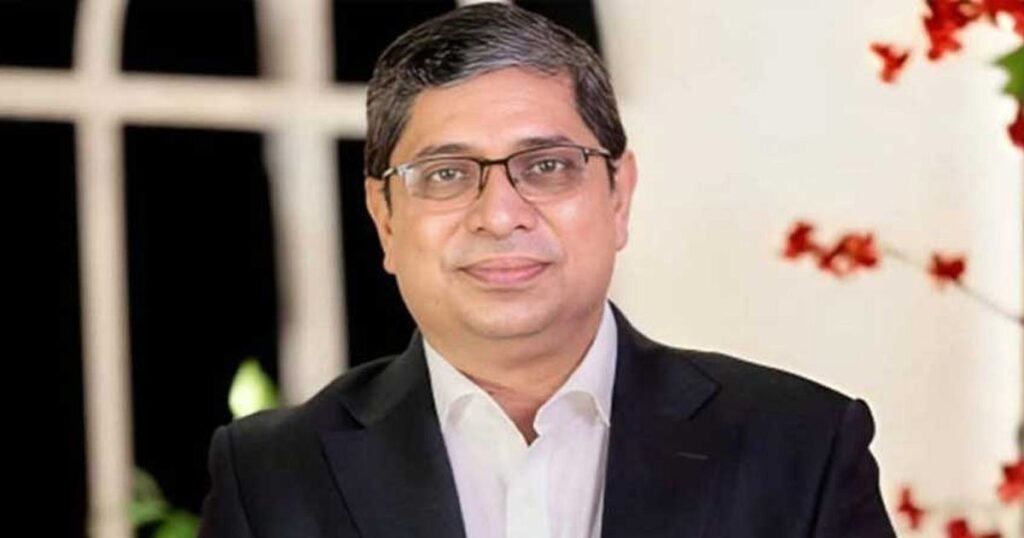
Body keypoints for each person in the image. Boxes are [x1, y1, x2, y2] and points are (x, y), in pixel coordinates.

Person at [198, 4, 895, 537]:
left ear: (618, 197)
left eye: (548, 166)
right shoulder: (272, 475)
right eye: (446, 173)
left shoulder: (801, 445)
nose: (500, 215)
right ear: (385, 218)